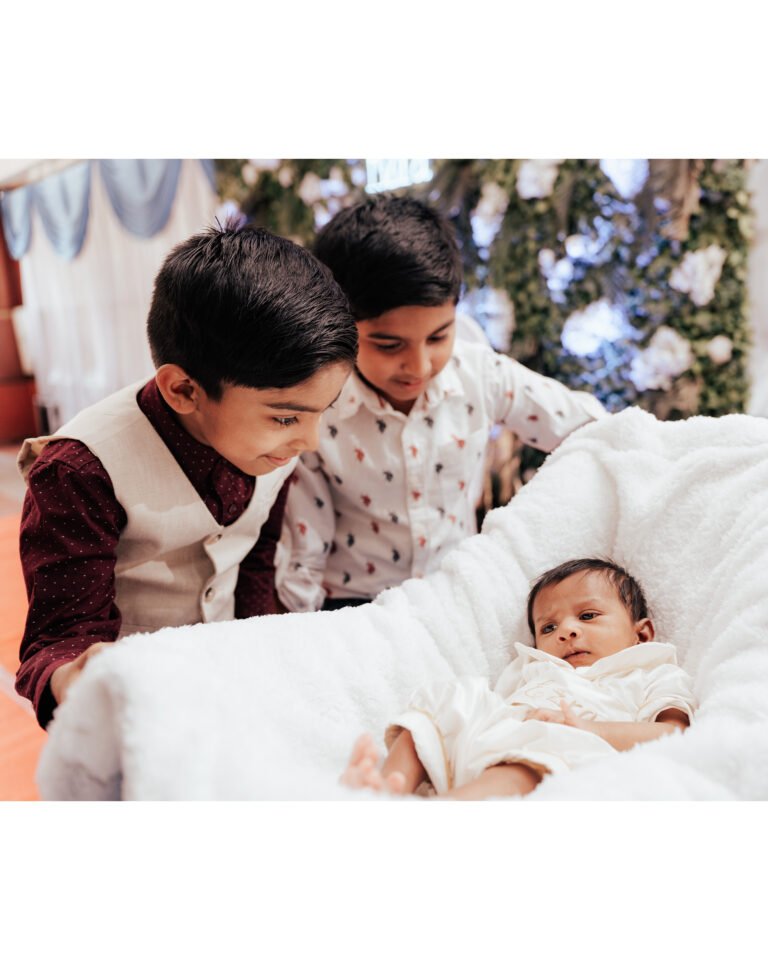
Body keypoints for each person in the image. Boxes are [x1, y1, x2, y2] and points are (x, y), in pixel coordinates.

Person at [16, 224, 357, 728]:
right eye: (286, 417)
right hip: (133, 718)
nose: (309, 442)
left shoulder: (274, 449)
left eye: (322, 410)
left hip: (230, 694)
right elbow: (60, 638)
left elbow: (256, 567)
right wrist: (75, 675)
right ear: (182, 389)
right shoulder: (79, 471)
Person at [277, 196, 607, 613]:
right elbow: (305, 552)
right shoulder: (319, 407)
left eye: (438, 337)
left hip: (458, 596)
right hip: (355, 607)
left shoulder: (480, 374)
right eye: (388, 344)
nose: (418, 365)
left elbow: (592, 428)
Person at [341, 558, 696, 800]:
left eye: (587, 616)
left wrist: (593, 729)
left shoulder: (650, 669)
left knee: (542, 745)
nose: (566, 632)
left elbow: (673, 734)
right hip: (492, 742)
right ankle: (388, 789)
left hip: (568, 758)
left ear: (643, 634)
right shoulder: (536, 667)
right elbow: (492, 709)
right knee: (449, 698)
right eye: (549, 627)